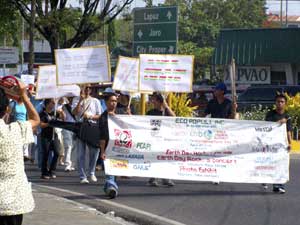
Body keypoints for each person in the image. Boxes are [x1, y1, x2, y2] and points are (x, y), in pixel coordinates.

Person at [0, 81, 40, 225]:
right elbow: (36, 119)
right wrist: (24, 95)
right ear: (6, 109)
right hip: (14, 203)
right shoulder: (15, 130)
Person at [204, 82, 237, 185]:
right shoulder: (211, 102)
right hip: (213, 131)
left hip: (224, 132)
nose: (214, 91)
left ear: (222, 91)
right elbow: (204, 114)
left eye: (217, 89)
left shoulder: (229, 103)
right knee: (214, 153)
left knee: (223, 154)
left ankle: (223, 172)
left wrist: (234, 109)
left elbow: (232, 118)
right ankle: (215, 174)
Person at [72, 84, 102, 183]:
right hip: (80, 127)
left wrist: (90, 116)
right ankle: (82, 176)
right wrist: (80, 101)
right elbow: (74, 112)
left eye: (90, 87)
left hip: (92, 127)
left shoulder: (95, 101)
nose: (88, 89)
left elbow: (99, 115)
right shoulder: (76, 99)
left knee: (94, 152)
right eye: (86, 87)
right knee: (81, 153)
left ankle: (91, 172)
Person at [263, 93, 292, 194]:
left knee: (281, 164)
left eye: (282, 102)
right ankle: (266, 179)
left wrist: (290, 143)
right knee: (270, 163)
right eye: (278, 101)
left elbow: (288, 131)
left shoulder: (287, 116)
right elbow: (267, 128)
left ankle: (279, 185)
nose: (280, 103)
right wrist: (279, 122)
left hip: (281, 144)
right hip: (271, 143)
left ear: (285, 103)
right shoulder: (270, 114)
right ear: (275, 103)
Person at [146, 92, 176, 187]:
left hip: (165, 139)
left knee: (165, 158)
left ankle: (165, 178)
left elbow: (174, 118)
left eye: (154, 99)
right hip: (154, 139)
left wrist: (166, 106)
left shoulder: (166, 112)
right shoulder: (150, 113)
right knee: (154, 158)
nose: (152, 101)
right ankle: (152, 178)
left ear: (159, 101)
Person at [99, 91, 119, 198]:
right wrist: (102, 151)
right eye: (111, 101)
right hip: (108, 147)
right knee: (110, 168)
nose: (114, 103)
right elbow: (102, 136)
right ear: (106, 102)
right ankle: (111, 188)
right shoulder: (103, 117)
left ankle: (108, 187)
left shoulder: (120, 114)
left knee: (115, 169)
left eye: (115, 101)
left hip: (120, 147)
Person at [39, 99, 60, 179]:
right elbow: (41, 125)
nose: (54, 104)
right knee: (46, 153)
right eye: (52, 103)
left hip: (54, 135)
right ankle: (44, 172)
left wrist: (62, 113)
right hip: (45, 136)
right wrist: (49, 123)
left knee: (57, 152)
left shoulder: (55, 113)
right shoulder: (42, 114)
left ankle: (52, 170)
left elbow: (63, 118)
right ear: (47, 104)